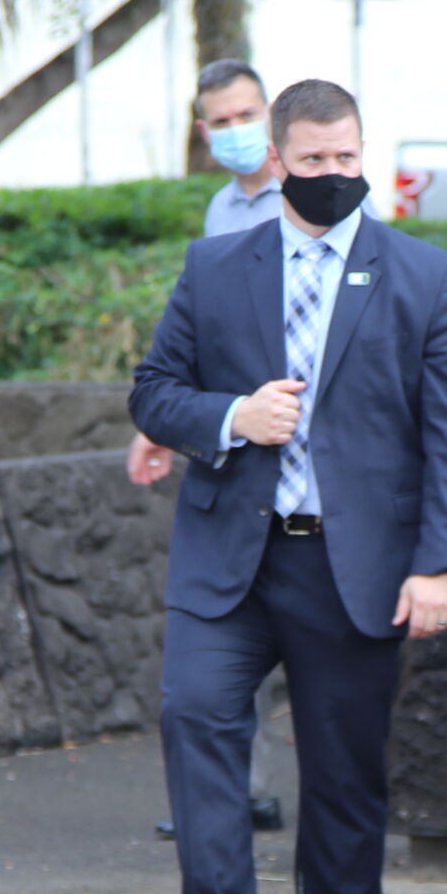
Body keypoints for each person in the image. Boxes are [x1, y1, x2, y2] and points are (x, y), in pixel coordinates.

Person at [129, 78, 447, 894]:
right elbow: (154, 391)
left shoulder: (425, 277)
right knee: (195, 719)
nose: (334, 173)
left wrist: (441, 560)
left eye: (347, 157)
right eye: (316, 159)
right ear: (277, 160)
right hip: (228, 563)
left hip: (355, 569)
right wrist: (231, 416)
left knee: (341, 777)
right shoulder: (216, 267)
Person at [132, 59, 289, 839]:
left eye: (245, 115)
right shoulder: (220, 212)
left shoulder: (306, 197)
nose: (235, 132)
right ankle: (237, 792)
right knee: (227, 629)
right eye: (220, 121)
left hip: (300, 441)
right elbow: (196, 343)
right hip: (235, 443)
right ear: (203, 131)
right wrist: (162, 424)